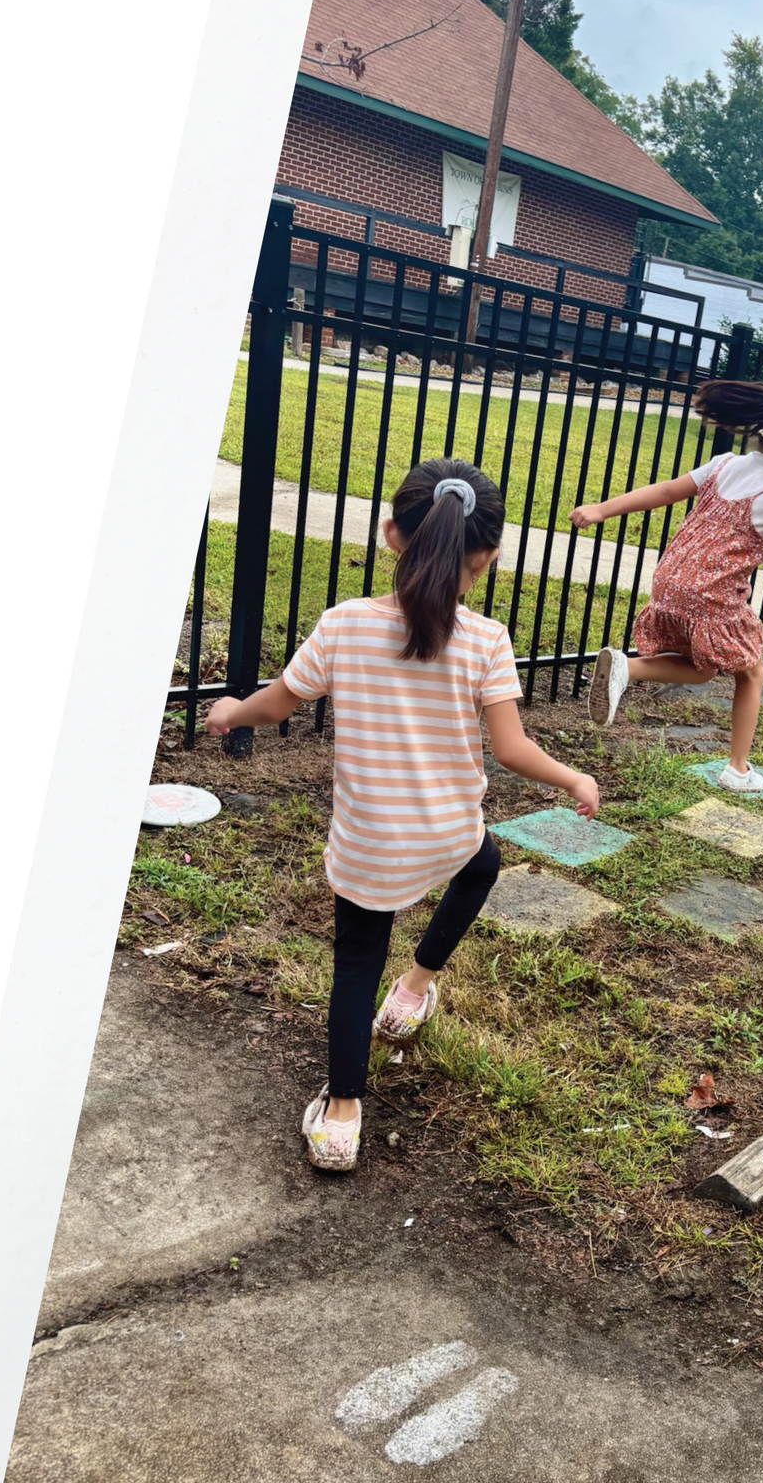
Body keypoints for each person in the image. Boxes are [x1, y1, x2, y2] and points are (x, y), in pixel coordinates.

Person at [205, 458, 600, 1172]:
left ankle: (342, 1117)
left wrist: (232, 710)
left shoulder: (344, 626)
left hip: (369, 847)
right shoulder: (487, 641)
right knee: (483, 862)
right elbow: (510, 748)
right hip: (448, 832)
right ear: (486, 558)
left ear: (392, 535)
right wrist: (574, 774)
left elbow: (276, 705)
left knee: (356, 968)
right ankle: (417, 986)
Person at [574, 381, 763, 784]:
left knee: (703, 669)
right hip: (710, 594)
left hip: (670, 581)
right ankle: (737, 768)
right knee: (752, 672)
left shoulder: (724, 464)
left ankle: (628, 667)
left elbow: (664, 490)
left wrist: (601, 509)